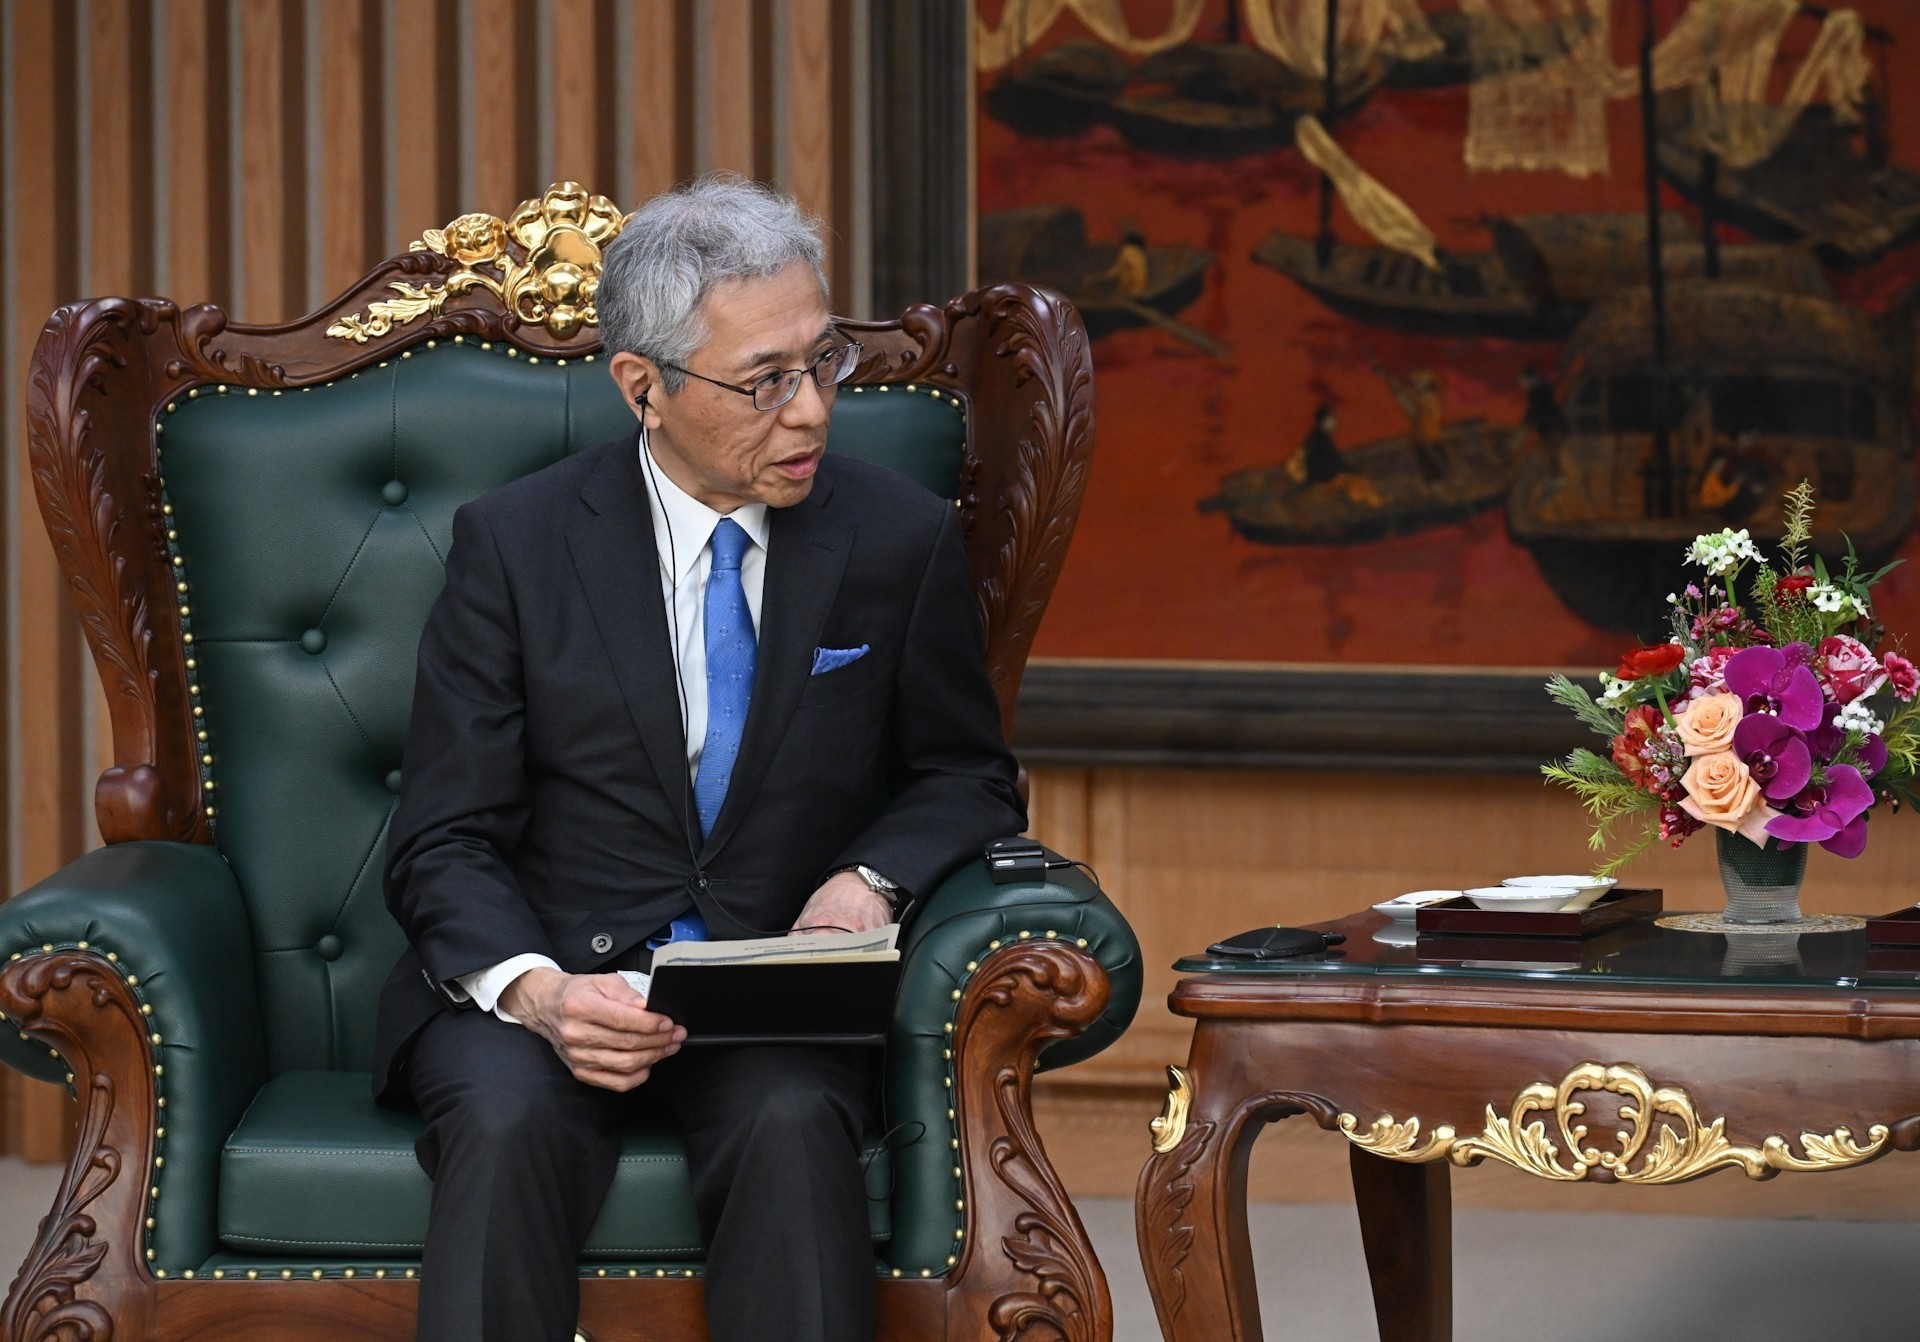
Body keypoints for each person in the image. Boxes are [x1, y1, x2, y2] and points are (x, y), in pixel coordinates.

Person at [372, 174, 1027, 1342]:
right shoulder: (516, 547)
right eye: (765, 381)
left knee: (789, 1119)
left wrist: (863, 882)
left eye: (824, 364)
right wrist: (538, 992)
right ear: (645, 389)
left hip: (769, 996)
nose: (814, 412)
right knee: (507, 1123)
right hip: (550, 982)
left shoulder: (897, 537)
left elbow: (966, 775)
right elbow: (444, 834)